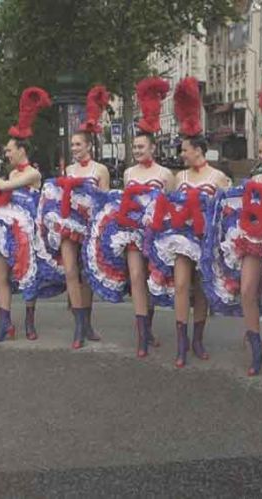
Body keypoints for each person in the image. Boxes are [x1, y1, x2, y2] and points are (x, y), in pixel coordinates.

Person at [201, 75, 262, 376]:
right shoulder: (255, 180)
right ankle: (255, 346)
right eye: (261, 151)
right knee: (247, 291)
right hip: (253, 242)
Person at [85, 77, 174, 357]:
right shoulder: (129, 174)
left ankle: (148, 327)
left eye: (141, 147)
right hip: (132, 233)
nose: (137, 152)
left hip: (156, 234)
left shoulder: (165, 174)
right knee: (135, 276)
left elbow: (170, 205)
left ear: (152, 148)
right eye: (134, 148)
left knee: (150, 279)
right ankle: (141, 336)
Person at [146, 77, 231, 368]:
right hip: (181, 239)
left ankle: (198, 338)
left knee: (201, 287)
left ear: (198, 150)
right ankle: (182, 344)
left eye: (185, 150)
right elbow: (168, 205)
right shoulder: (178, 178)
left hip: (205, 239)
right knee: (181, 285)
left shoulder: (218, 177)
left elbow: (226, 210)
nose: (181, 154)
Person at [0, 87, 52, 342]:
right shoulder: (11, 173)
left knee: (28, 273)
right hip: (5, 230)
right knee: (0, 275)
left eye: (9, 150)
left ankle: (29, 322)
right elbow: (3, 192)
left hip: (27, 231)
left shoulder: (33, 173)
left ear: (21, 149)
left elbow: (6, 188)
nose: (6, 154)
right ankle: (5, 323)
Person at [38, 85, 110, 349]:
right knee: (70, 271)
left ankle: (88, 322)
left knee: (86, 274)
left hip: (90, 227)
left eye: (79, 144)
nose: (75, 149)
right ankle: (78, 326)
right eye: (72, 145)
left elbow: (104, 202)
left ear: (89, 145)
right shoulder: (68, 168)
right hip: (69, 227)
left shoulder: (100, 169)